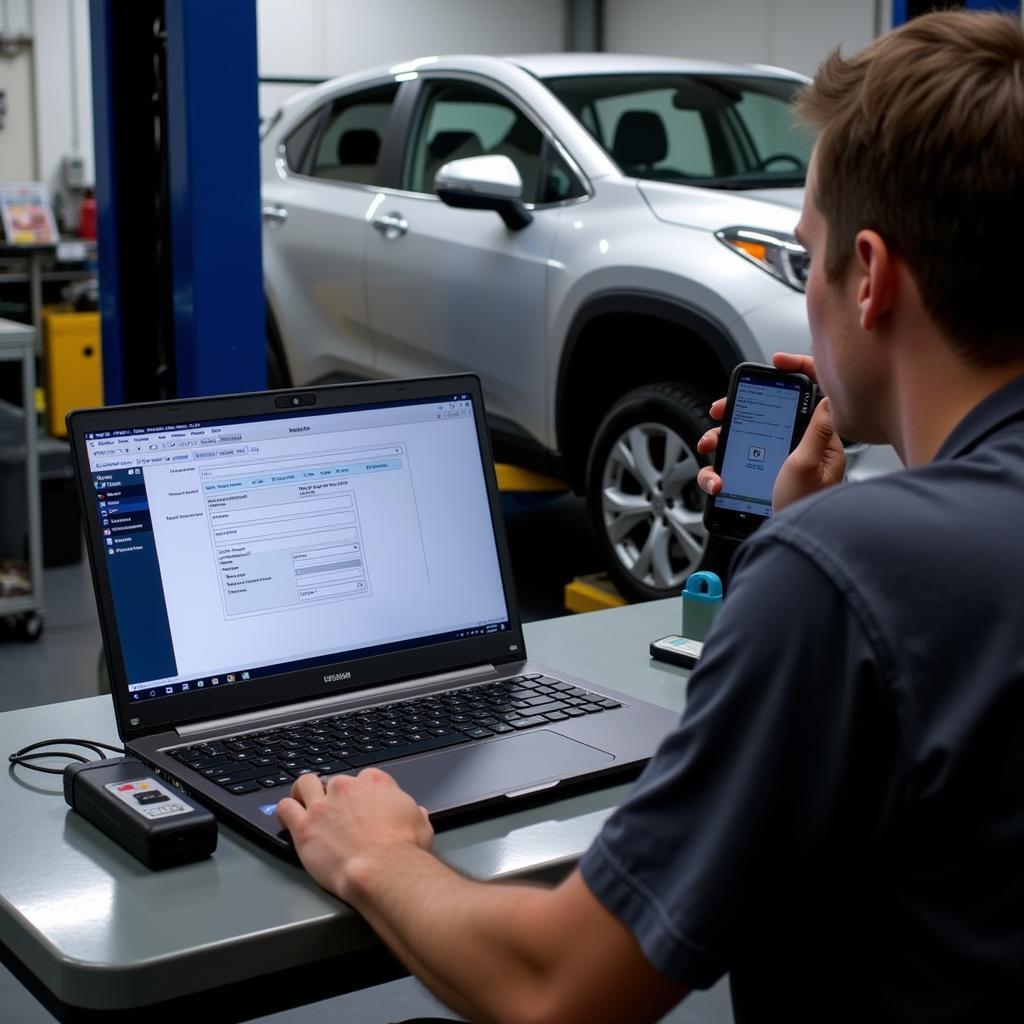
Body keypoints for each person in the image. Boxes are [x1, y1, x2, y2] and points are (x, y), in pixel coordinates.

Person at [276, 12, 1024, 1022]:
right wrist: (804, 547)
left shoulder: (844, 574)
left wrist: (377, 856)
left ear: (873, 277)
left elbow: (556, 989)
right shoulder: (856, 564)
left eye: (807, 260)